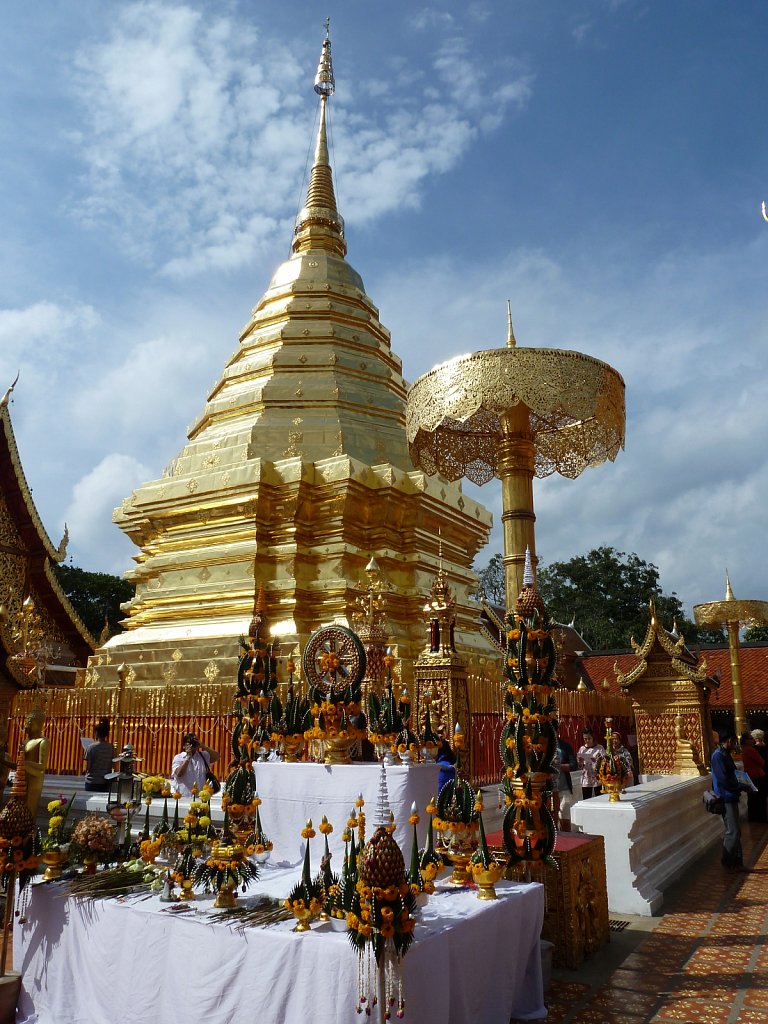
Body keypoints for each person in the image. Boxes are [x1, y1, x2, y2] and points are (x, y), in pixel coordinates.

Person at [711, 728, 749, 870]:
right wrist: (740, 786)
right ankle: (727, 862)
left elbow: (732, 774)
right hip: (725, 797)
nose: (734, 746)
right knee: (732, 831)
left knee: (735, 830)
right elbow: (724, 780)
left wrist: (744, 783)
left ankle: (737, 862)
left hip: (732, 796)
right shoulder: (718, 756)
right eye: (733, 742)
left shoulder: (725, 754)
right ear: (728, 741)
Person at [23, 708, 50, 818]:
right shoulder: (25, 742)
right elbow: (20, 763)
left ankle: (29, 833)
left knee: (30, 808)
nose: (27, 726)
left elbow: (41, 767)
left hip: (35, 778)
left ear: (39, 724)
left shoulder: (43, 741)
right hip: (23, 777)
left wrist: (23, 764)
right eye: (26, 723)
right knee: (20, 807)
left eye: (30, 723)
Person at [553, 721, 577, 830]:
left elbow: (574, 765)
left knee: (564, 816)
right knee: (552, 817)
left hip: (564, 787)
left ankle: (567, 839)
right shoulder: (541, 748)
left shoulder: (565, 746)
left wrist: (560, 766)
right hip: (550, 789)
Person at [740, 731, 767, 823]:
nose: (753, 740)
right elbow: (761, 762)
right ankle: (760, 818)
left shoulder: (744, 749)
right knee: (759, 798)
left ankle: (753, 817)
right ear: (746, 741)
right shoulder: (751, 749)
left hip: (749, 775)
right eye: (751, 739)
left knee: (752, 798)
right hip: (756, 775)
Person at [84, 718, 116, 793]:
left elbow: (87, 767)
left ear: (96, 733)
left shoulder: (91, 747)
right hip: (105, 781)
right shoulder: (111, 747)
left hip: (92, 782)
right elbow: (113, 764)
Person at [577, 727, 605, 799]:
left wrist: (596, 761)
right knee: (586, 798)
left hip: (597, 777)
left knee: (599, 798)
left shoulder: (599, 748)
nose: (587, 740)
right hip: (586, 778)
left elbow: (605, 763)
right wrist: (580, 762)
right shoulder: (582, 749)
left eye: (589, 738)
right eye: (585, 739)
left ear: (593, 737)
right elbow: (580, 766)